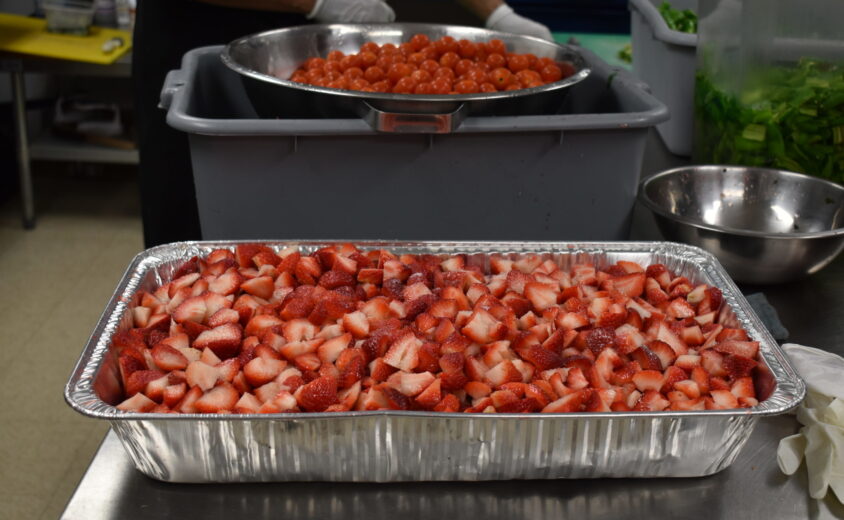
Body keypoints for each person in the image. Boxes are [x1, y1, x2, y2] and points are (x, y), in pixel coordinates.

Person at [134, 0, 553, 247]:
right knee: (210, 242)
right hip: (213, 40)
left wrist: (496, 13)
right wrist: (313, 2)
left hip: (324, 52)